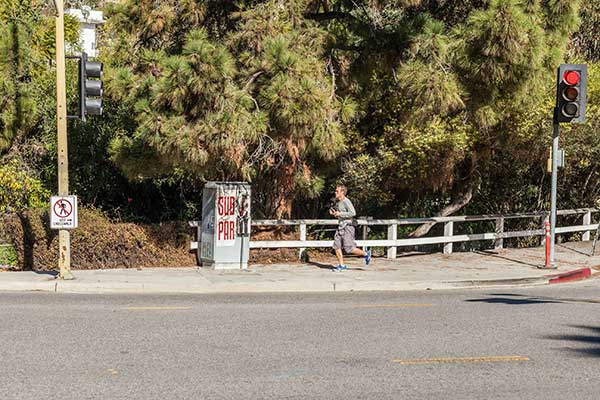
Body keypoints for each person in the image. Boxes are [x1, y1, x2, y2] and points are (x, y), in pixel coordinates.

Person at [329, 185, 371, 271]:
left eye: (337, 191)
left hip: (348, 227)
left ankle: (366, 254)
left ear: (342, 192)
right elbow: (340, 213)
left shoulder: (346, 201)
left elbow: (353, 213)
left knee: (349, 248)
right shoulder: (338, 202)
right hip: (341, 226)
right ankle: (341, 265)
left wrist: (340, 214)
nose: (335, 192)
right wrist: (334, 213)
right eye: (335, 191)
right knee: (336, 246)